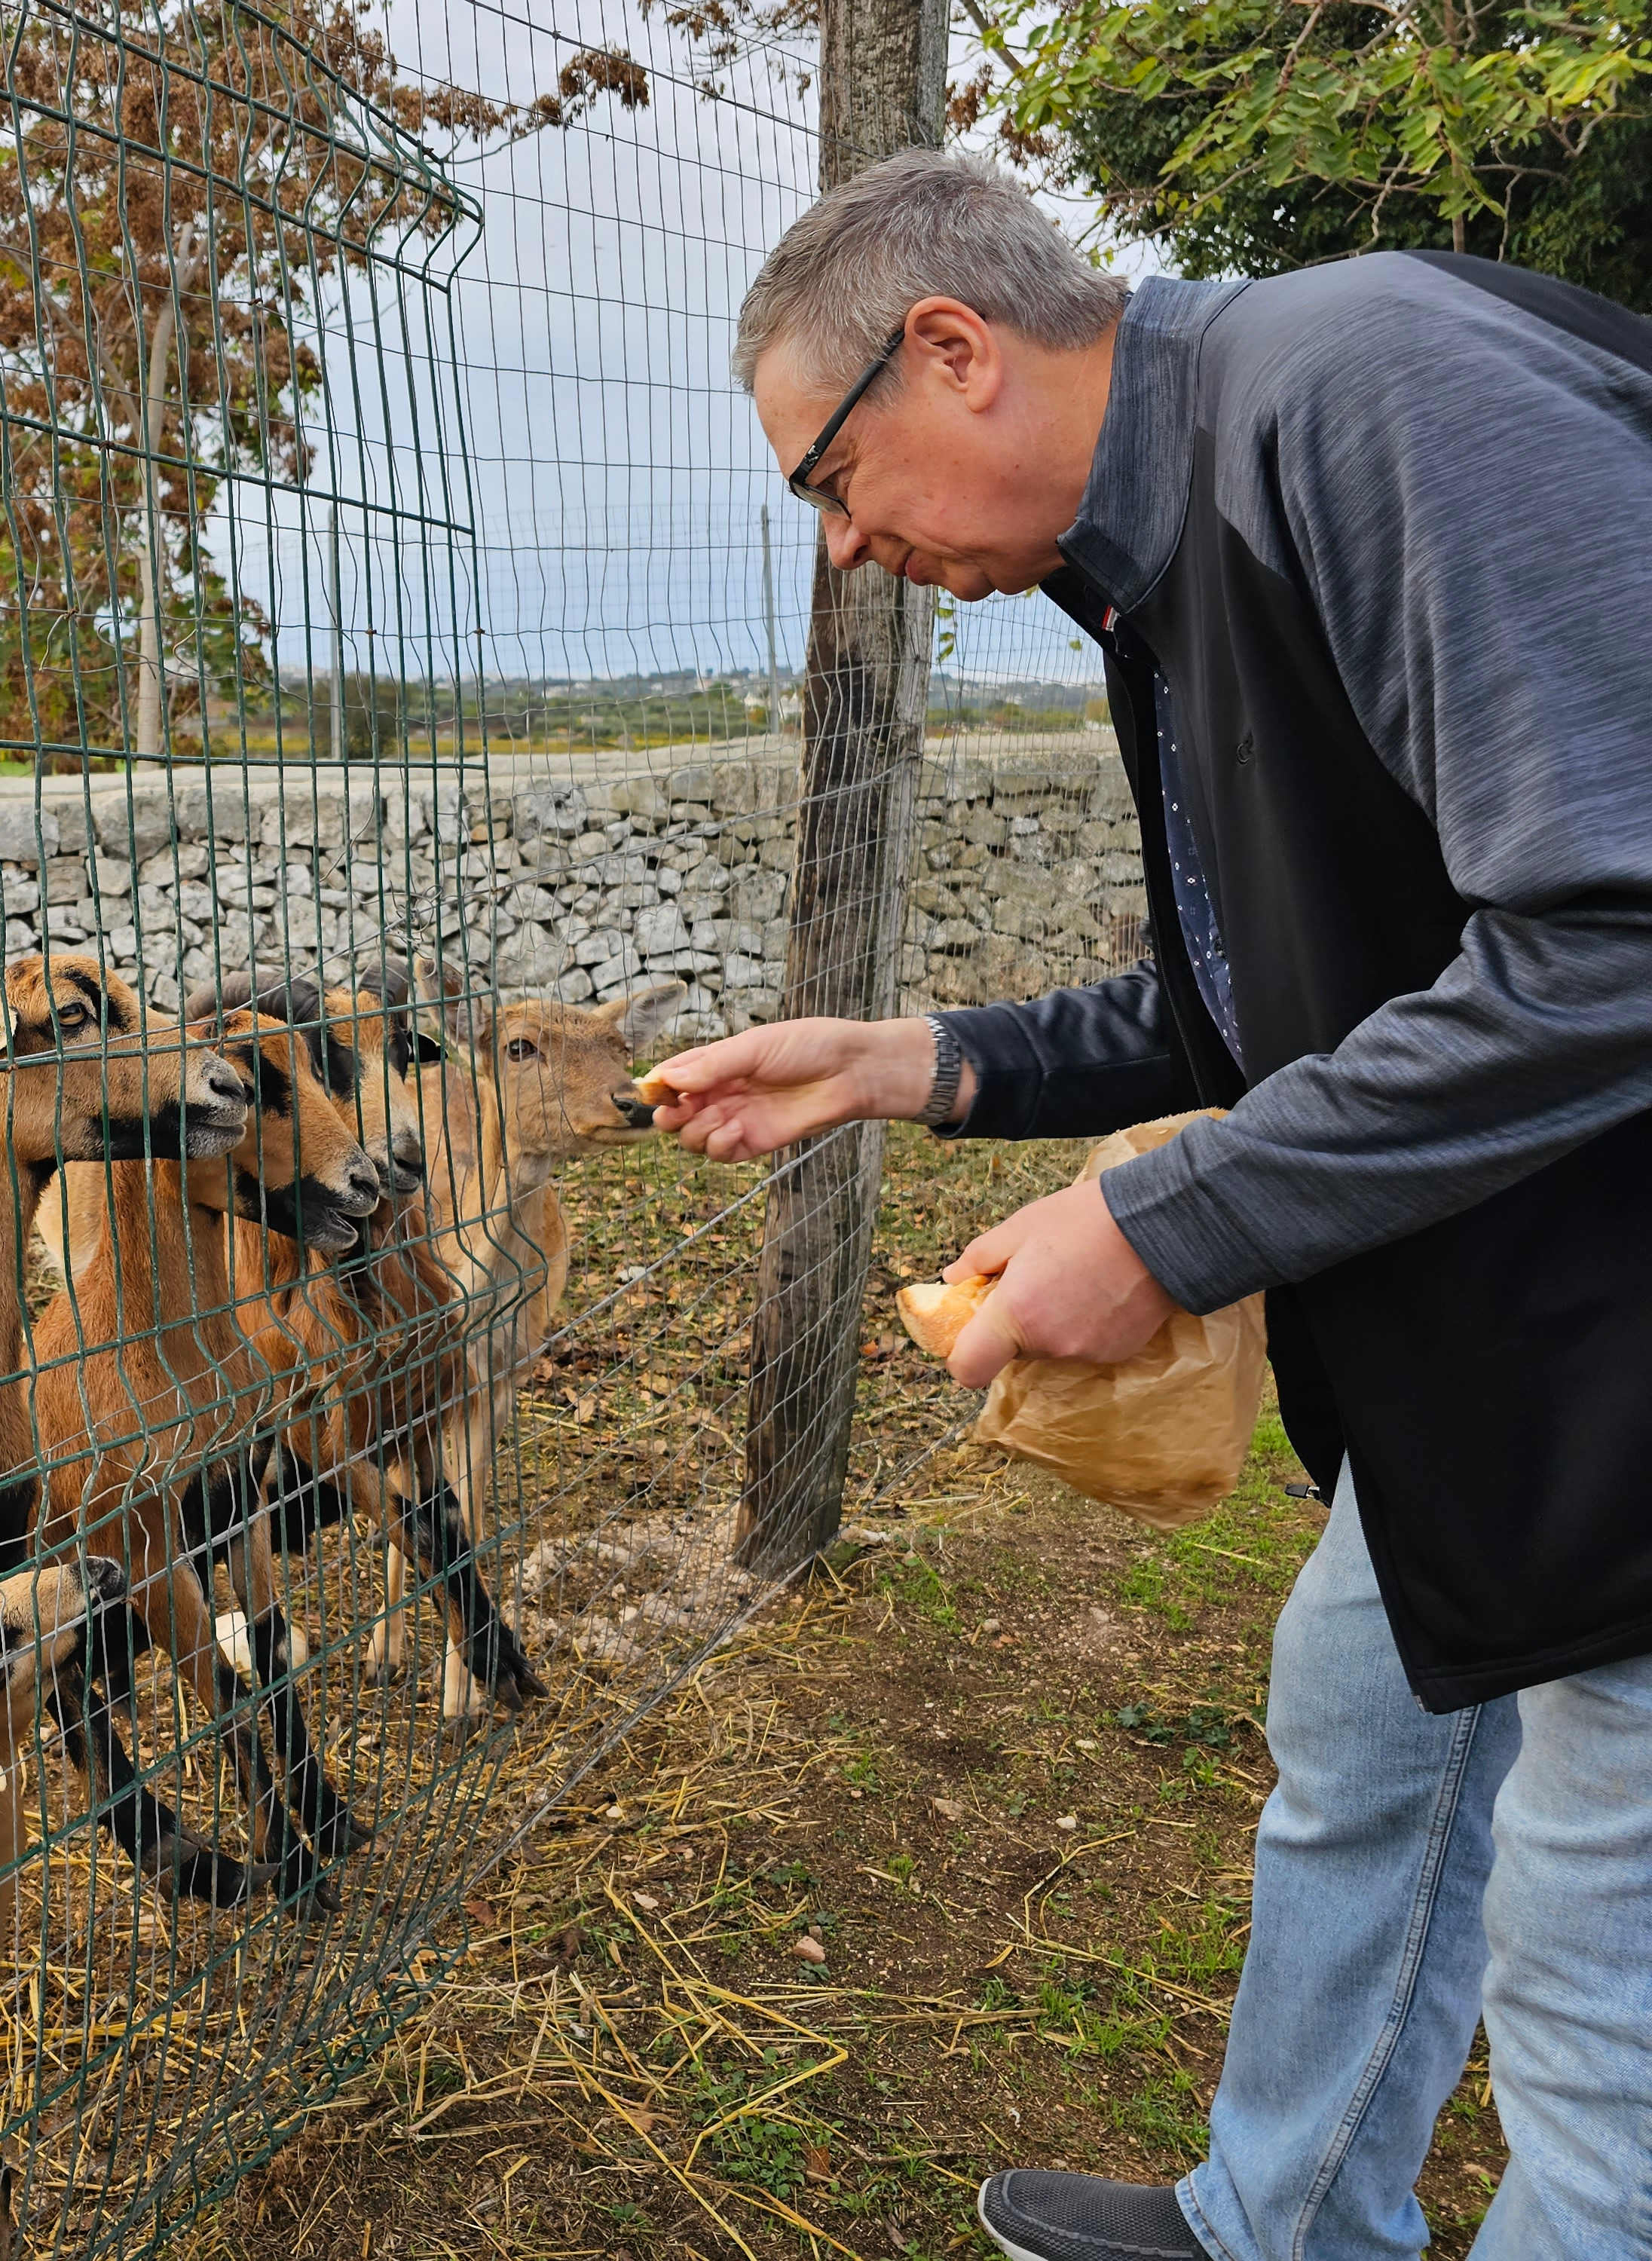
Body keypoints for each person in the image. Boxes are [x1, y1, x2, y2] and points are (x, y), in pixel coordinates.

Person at [650, 151, 1652, 2261]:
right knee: (1366, 1723)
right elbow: (1264, 999)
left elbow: (1620, 933)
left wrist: (1179, 1223)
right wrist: (912, 1061)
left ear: (954, 351)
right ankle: (1277, 2220)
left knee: (1601, 1982)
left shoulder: (1373, 395)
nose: (849, 548)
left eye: (833, 481)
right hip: (1545, 1324)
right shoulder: (1169, 547)